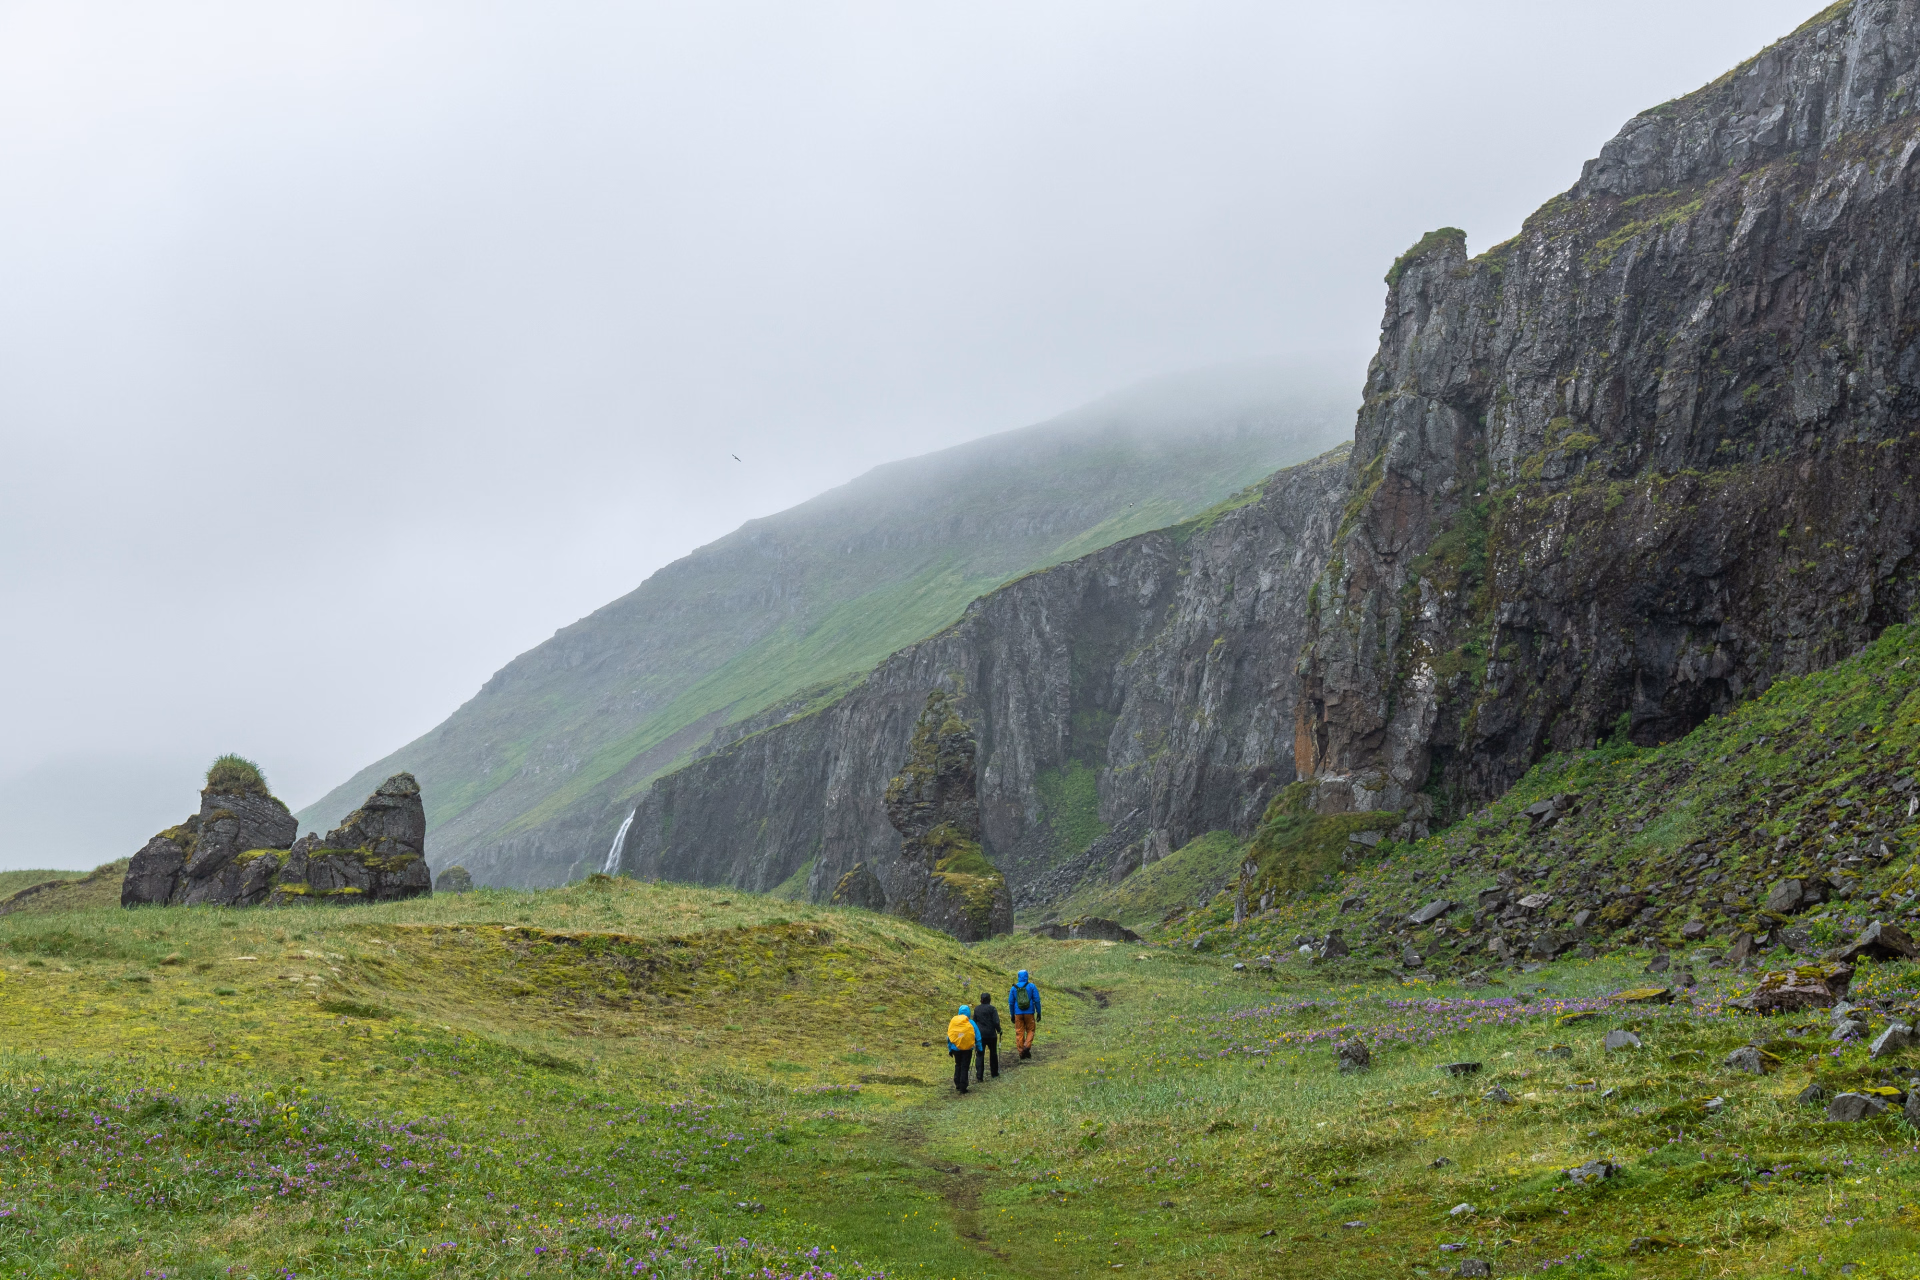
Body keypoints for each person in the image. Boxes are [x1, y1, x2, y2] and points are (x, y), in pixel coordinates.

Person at [1008, 969, 1042, 1059]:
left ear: (1018, 977)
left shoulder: (1014, 988)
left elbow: (1011, 1003)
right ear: (1027, 976)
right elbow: (1037, 1000)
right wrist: (1038, 1012)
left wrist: (1012, 1014)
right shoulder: (1031, 986)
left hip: (1018, 1013)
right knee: (1031, 1030)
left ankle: (1021, 1052)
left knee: (1019, 1032)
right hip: (1029, 1013)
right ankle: (1026, 1046)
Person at [947, 1003, 980, 1093]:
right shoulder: (971, 1023)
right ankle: (963, 1085)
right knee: (965, 1066)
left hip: (955, 1048)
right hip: (967, 1049)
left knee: (958, 1064)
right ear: (969, 1013)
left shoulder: (954, 1023)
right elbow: (977, 1036)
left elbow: (949, 1036)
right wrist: (979, 1048)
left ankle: (957, 1083)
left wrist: (950, 1049)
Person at [974, 992, 1002, 1081]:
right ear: (989, 1000)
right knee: (993, 1053)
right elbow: (996, 1022)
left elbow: (974, 1022)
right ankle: (994, 1073)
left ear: (981, 1000)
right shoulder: (992, 1009)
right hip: (991, 1035)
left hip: (980, 1035)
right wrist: (999, 1030)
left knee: (980, 1054)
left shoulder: (976, 1009)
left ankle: (979, 1076)